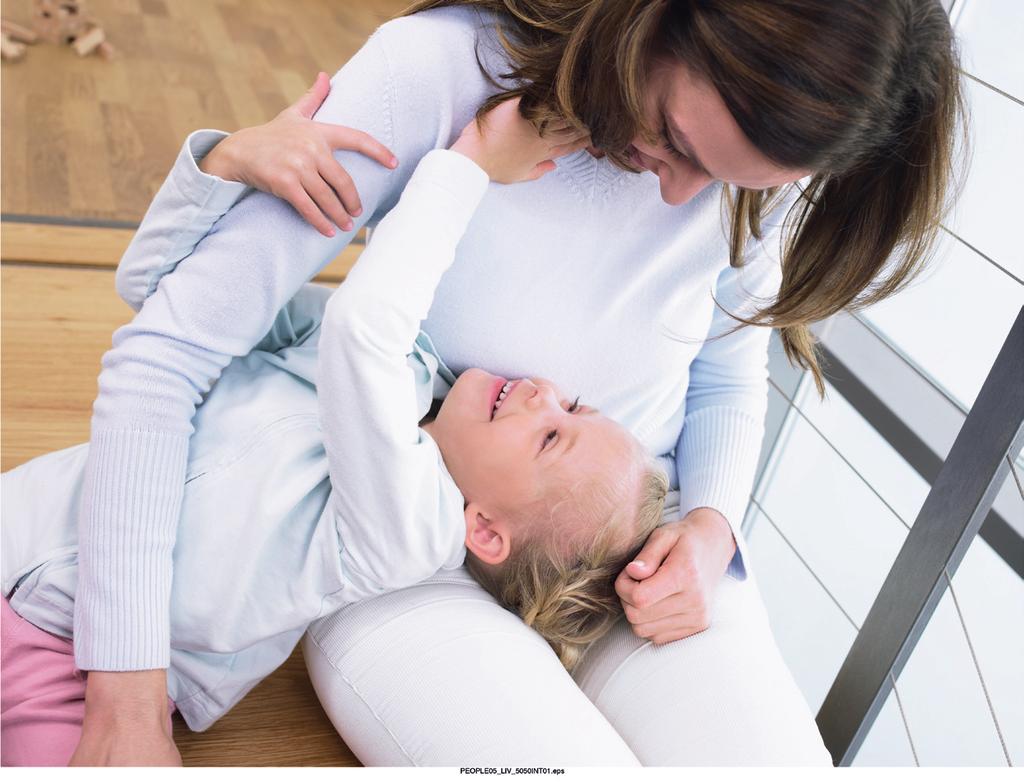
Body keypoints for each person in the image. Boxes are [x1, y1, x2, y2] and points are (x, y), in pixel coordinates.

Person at [59, 0, 962, 766]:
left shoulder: (759, 147)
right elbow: (166, 352)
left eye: (727, 178)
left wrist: (711, 525)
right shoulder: (443, 72)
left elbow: (726, 360)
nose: (684, 199)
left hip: (637, 542)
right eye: (678, 141)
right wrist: (124, 692)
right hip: (409, 555)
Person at [1, 100, 671, 765]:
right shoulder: (403, 365)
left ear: (486, 530)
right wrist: (220, 165)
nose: (542, 392)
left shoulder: (408, 534)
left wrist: (467, 166)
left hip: (76, 673)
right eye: (574, 405)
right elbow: (162, 290)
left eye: (550, 437)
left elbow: (364, 329)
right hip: (17, 528)